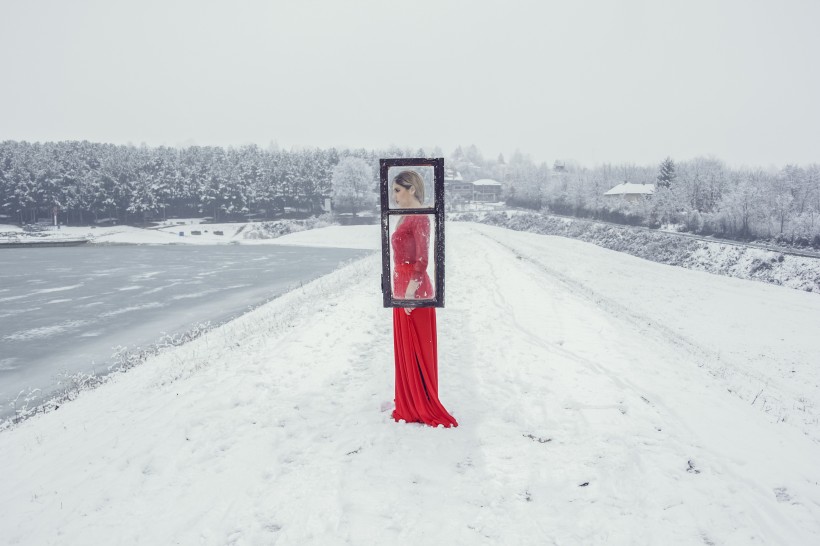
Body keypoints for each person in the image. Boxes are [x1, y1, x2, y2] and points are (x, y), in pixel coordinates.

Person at [390, 170, 458, 428]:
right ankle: (408, 401)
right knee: (406, 346)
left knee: (417, 346)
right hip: (400, 286)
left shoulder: (419, 217)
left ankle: (420, 404)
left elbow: (422, 259)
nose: (394, 196)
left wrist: (409, 295)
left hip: (413, 289)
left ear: (412, 190)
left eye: (398, 190)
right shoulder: (405, 215)